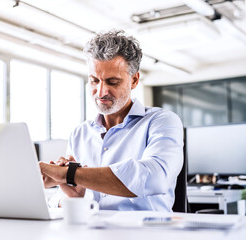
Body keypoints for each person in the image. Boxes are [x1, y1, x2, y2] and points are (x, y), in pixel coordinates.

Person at [39, 29, 184, 211]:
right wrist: (73, 195)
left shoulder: (161, 121)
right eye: (94, 81)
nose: (101, 92)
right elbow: (61, 197)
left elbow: (154, 177)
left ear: (134, 80)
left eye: (112, 82)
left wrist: (71, 173)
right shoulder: (80, 133)